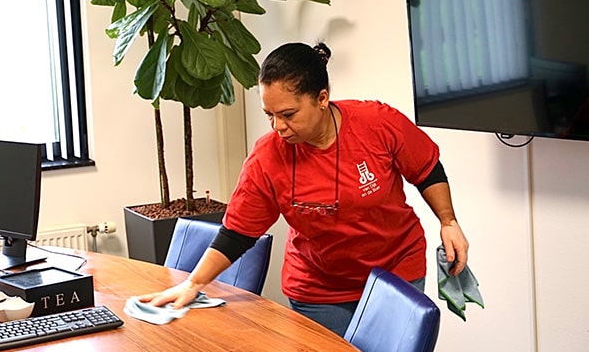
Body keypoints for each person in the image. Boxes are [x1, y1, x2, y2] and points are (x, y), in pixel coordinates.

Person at [139, 42, 470, 336]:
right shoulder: (267, 156)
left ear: (322, 98)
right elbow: (238, 232)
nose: (278, 127)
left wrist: (448, 221)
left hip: (396, 273)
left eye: (288, 114)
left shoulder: (376, 122)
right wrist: (193, 283)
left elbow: (426, 169)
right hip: (319, 290)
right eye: (269, 114)